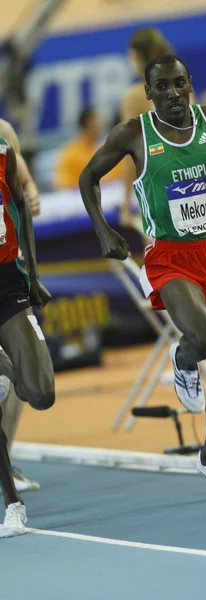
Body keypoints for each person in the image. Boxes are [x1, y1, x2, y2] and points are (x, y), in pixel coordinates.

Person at [80, 53, 206, 499]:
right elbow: (89, 178)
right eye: (161, 87)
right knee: (204, 338)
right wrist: (103, 230)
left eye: (179, 84)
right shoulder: (133, 134)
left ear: (190, 84)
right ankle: (183, 361)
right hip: (171, 257)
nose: (172, 94)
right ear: (149, 93)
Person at [0, 135, 55, 538]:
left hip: (6, 282)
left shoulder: (3, 148)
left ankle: (5, 370)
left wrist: (33, 275)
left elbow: (20, 204)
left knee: (40, 393)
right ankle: (12, 505)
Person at [0, 119, 42, 493]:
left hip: (8, 269)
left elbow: (24, 182)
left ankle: (6, 461)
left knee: (19, 381)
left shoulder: (5, 131)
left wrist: (30, 194)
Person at [119, 28, 174, 228]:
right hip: (190, 179)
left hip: (159, 186)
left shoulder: (135, 96)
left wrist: (126, 204)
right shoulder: (183, 87)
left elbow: (132, 152)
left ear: (136, 56)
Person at [55, 107, 121, 190]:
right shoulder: (70, 154)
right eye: (97, 120)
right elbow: (64, 185)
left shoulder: (102, 150)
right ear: (89, 122)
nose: (101, 124)